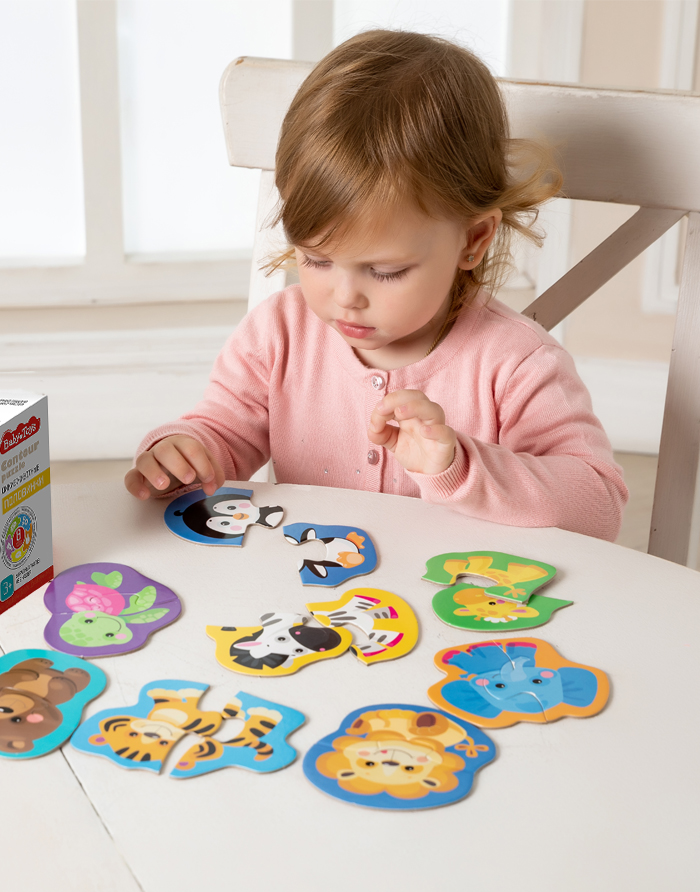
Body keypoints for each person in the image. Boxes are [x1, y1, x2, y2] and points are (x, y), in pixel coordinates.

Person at [124, 30, 627, 541]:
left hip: (459, 588)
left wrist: (460, 467)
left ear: (473, 239)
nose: (345, 297)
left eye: (385, 271)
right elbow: (222, 434)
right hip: (307, 581)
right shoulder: (278, 334)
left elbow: (599, 506)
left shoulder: (516, 364)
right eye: (316, 260)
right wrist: (185, 455)